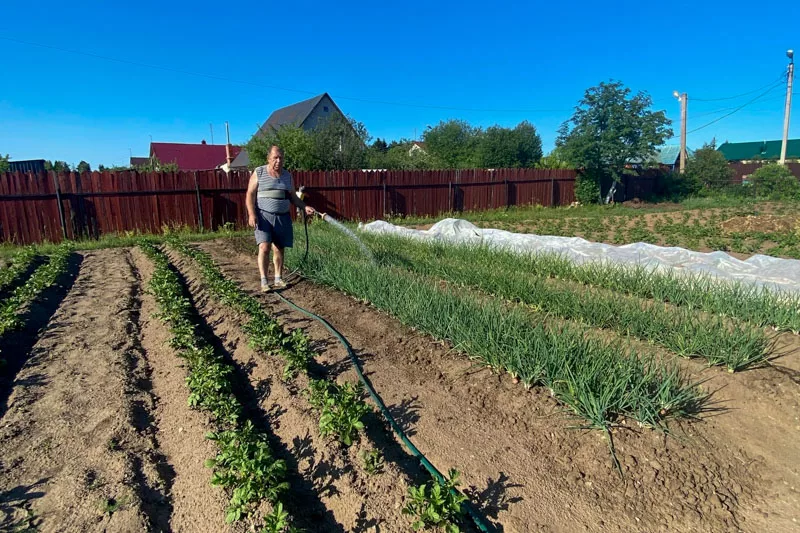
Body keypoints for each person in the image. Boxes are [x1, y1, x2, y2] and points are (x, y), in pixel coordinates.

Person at [246, 145, 315, 292]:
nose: (278, 161)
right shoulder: (259, 172)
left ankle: (278, 278)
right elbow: (250, 194)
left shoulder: (287, 176)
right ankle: (264, 281)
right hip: (263, 216)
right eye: (275, 158)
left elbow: (293, 197)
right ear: (268, 159)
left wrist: (304, 207)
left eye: (280, 158)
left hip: (282, 217)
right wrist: (252, 214)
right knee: (264, 247)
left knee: (279, 248)